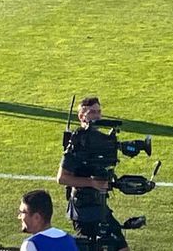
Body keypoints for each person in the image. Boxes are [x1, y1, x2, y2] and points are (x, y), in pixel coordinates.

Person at [57, 97, 130, 251]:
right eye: (92, 112)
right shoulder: (78, 142)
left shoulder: (101, 140)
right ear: (81, 116)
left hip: (100, 205)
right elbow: (62, 178)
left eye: (99, 112)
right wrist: (92, 183)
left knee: (121, 247)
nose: (97, 116)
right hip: (84, 210)